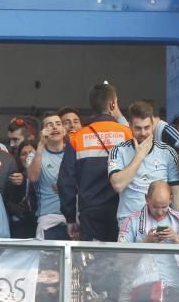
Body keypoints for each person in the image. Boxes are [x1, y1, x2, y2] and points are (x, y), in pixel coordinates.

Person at [58, 83, 133, 241]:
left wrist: (70, 218)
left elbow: (66, 182)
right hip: (123, 210)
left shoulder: (76, 139)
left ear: (92, 106)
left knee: (93, 263)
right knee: (124, 261)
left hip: (90, 213)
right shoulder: (128, 134)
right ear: (113, 104)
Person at [108, 101, 179, 226]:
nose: (143, 133)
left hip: (161, 223)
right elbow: (118, 185)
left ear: (153, 125)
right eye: (138, 128)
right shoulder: (118, 150)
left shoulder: (167, 152)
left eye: (147, 127)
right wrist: (139, 156)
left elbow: (177, 193)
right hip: (129, 223)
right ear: (130, 126)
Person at [118, 181, 179, 299]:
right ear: (146, 199)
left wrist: (177, 239)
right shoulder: (131, 220)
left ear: (171, 199)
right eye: (155, 206)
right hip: (143, 289)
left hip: (173, 290)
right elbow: (121, 258)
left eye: (164, 207)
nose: (160, 212)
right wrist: (146, 243)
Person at [27, 112, 67, 239]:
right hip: (49, 219)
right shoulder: (33, 155)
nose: (54, 127)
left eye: (58, 124)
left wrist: (66, 186)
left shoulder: (74, 153)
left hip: (75, 219)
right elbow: (33, 177)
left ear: (64, 131)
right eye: (49, 125)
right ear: (42, 132)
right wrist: (40, 146)